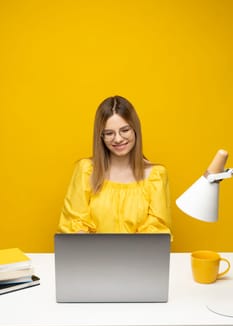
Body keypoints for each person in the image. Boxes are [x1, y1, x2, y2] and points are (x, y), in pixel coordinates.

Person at [58, 95, 172, 235]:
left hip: (138, 256)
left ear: (135, 130)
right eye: (109, 133)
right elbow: (73, 223)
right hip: (93, 256)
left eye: (125, 130)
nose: (118, 139)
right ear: (101, 137)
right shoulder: (85, 170)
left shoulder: (156, 175)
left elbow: (157, 231)